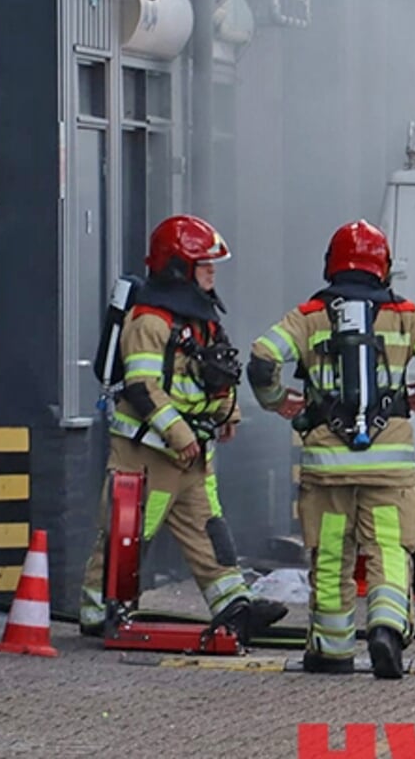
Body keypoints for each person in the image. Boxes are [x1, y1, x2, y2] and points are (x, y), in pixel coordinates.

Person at [247, 220, 415, 679]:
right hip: (389, 468)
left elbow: (263, 359)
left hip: (327, 466)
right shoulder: (405, 313)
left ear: (332, 263)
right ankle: (386, 628)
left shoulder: (308, 314)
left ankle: (331, 651)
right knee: (388, 548)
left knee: (331, 555)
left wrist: (276, 402)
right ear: (382, 266)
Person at [79, 213, 287, 642]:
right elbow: (141, 386)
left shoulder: (200, 318)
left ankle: (235, 605)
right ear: (178, 267)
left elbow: (218, 370)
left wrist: (228, 415)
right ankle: (100, 611)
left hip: (192, 455)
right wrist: (180, 434)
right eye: (204, 264)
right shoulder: (149, 321)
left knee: (210, 531)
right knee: (128, 534)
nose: (212, 272)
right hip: (148, 455)